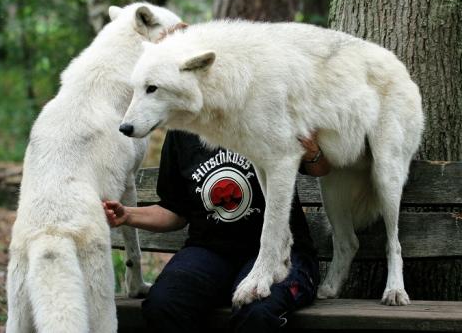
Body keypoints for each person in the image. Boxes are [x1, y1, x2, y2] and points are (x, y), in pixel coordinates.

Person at [103, 130, 331, 332]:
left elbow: (320, 168)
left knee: (258, 311)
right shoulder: (182, 131)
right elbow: (174, 210)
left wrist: (312, 150)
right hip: (210, 252)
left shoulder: (260, 106)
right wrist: (128, 215)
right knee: (164, 304)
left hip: (280, 252)